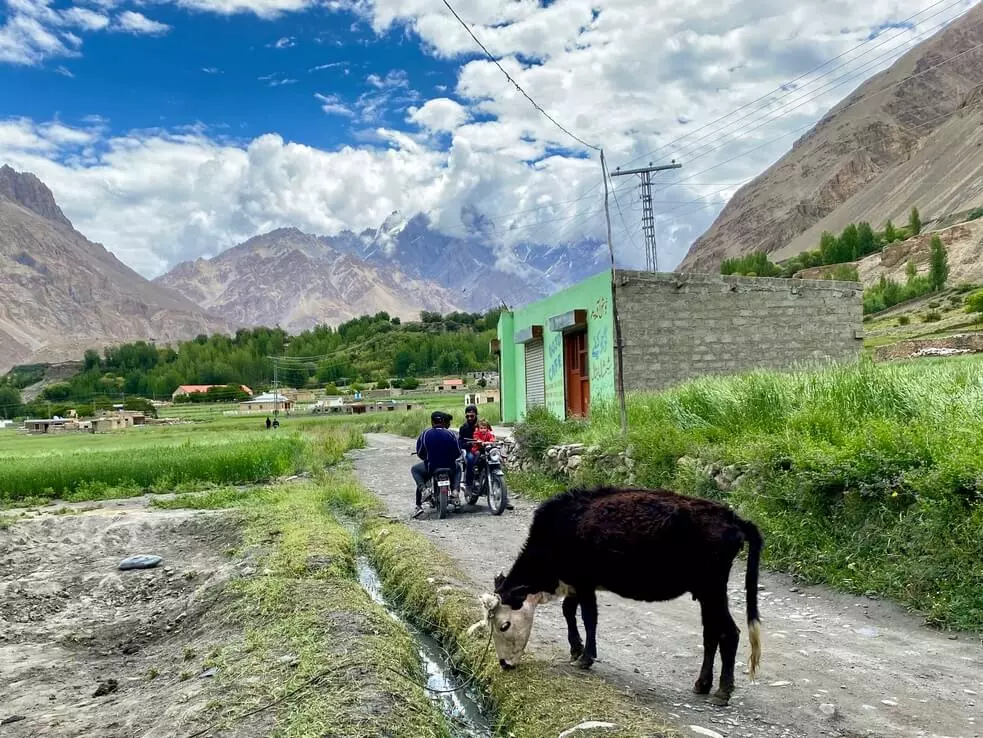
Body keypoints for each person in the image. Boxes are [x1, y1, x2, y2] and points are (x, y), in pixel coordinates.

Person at [410, 411, 462, 518]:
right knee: (458, 468)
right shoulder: (451, 434)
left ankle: (423, 491)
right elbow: (457, 452)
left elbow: (420, 452)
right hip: (449, 466)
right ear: (443, 422)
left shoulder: (425, 433)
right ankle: (455, 491)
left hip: (432, 467)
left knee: (415, 470)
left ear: (432, 421)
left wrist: (426, 459)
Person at [459, 404, 479, 493]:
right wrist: (468, 444)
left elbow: (490, 434)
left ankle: (503, 495)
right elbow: (460, 442)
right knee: (470, 459)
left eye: (472, 416)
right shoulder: (463, 428)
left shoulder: (481, 425)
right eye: (467, 416)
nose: (470, 418)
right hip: (470, 450)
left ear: (476, 415)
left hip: (481, 448)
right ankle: (469, 484)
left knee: (496, 460)